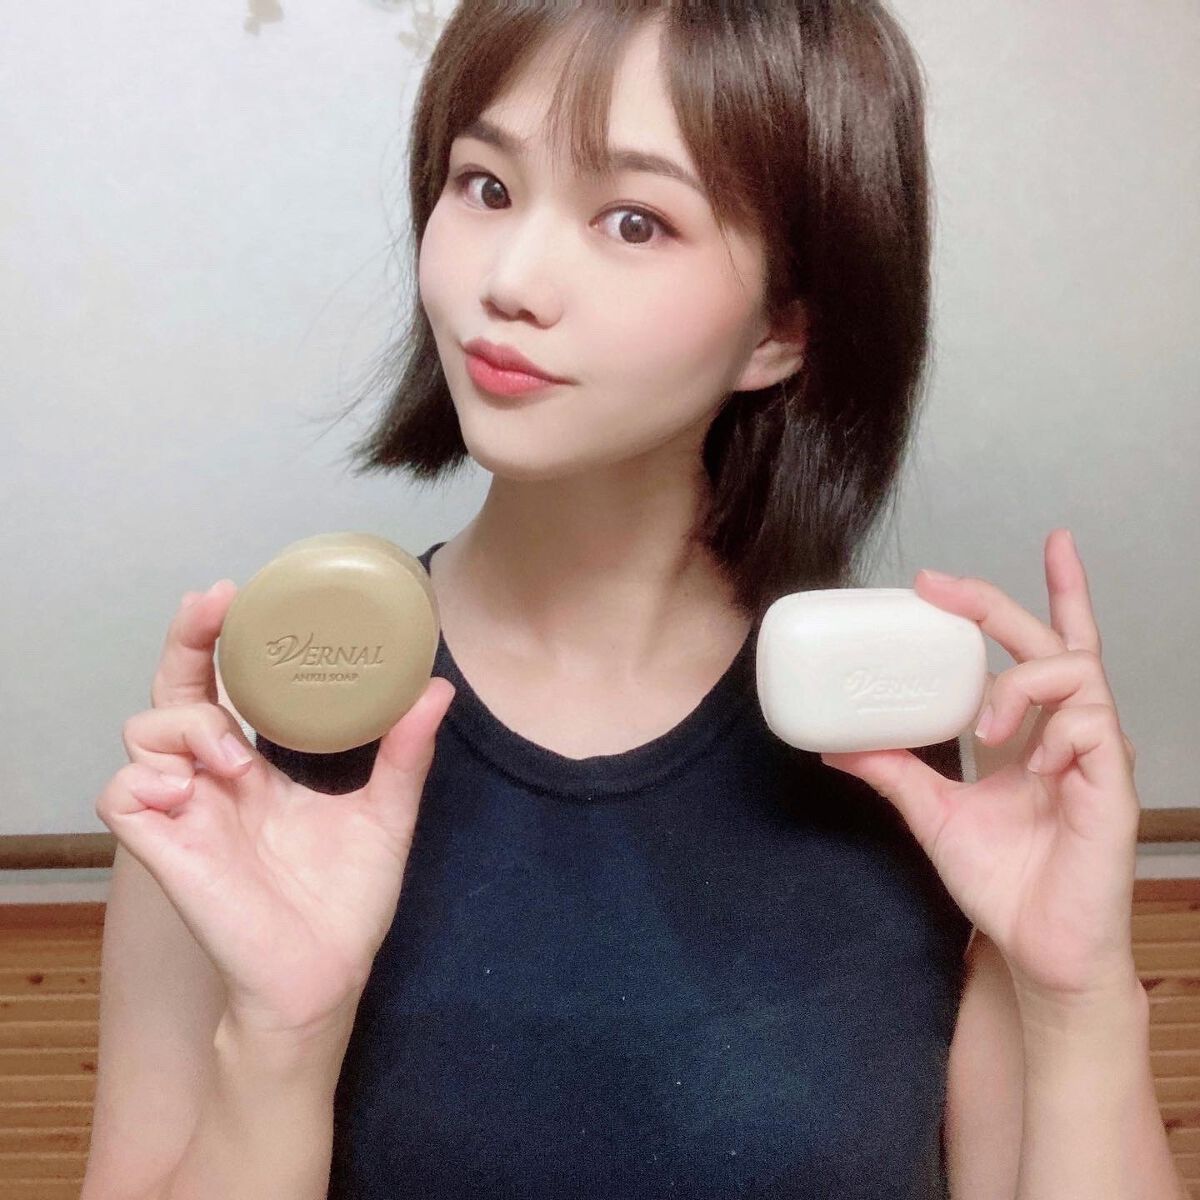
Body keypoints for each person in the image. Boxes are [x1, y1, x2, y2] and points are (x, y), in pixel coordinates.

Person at [85, 3, 985, 1197]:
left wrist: (1084, 998)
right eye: (487, 186)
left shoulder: (894, 745)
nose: (506, 282)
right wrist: (280, 1046)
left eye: (634, 221)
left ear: (783, 327)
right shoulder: (259, 737)